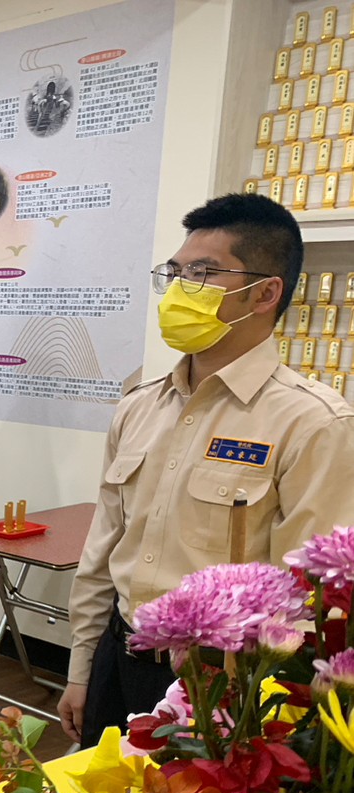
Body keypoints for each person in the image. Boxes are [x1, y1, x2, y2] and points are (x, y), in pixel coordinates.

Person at [60, 193, 354, 747]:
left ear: (266, 293)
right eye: (175, 272)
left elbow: (309, 600)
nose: (179, 289)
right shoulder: (139, 405)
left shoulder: (311, 422)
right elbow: (103, 549)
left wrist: (262, 712)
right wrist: (80, 669)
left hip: (219, 681)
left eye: (202, 273)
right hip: (117, 654)